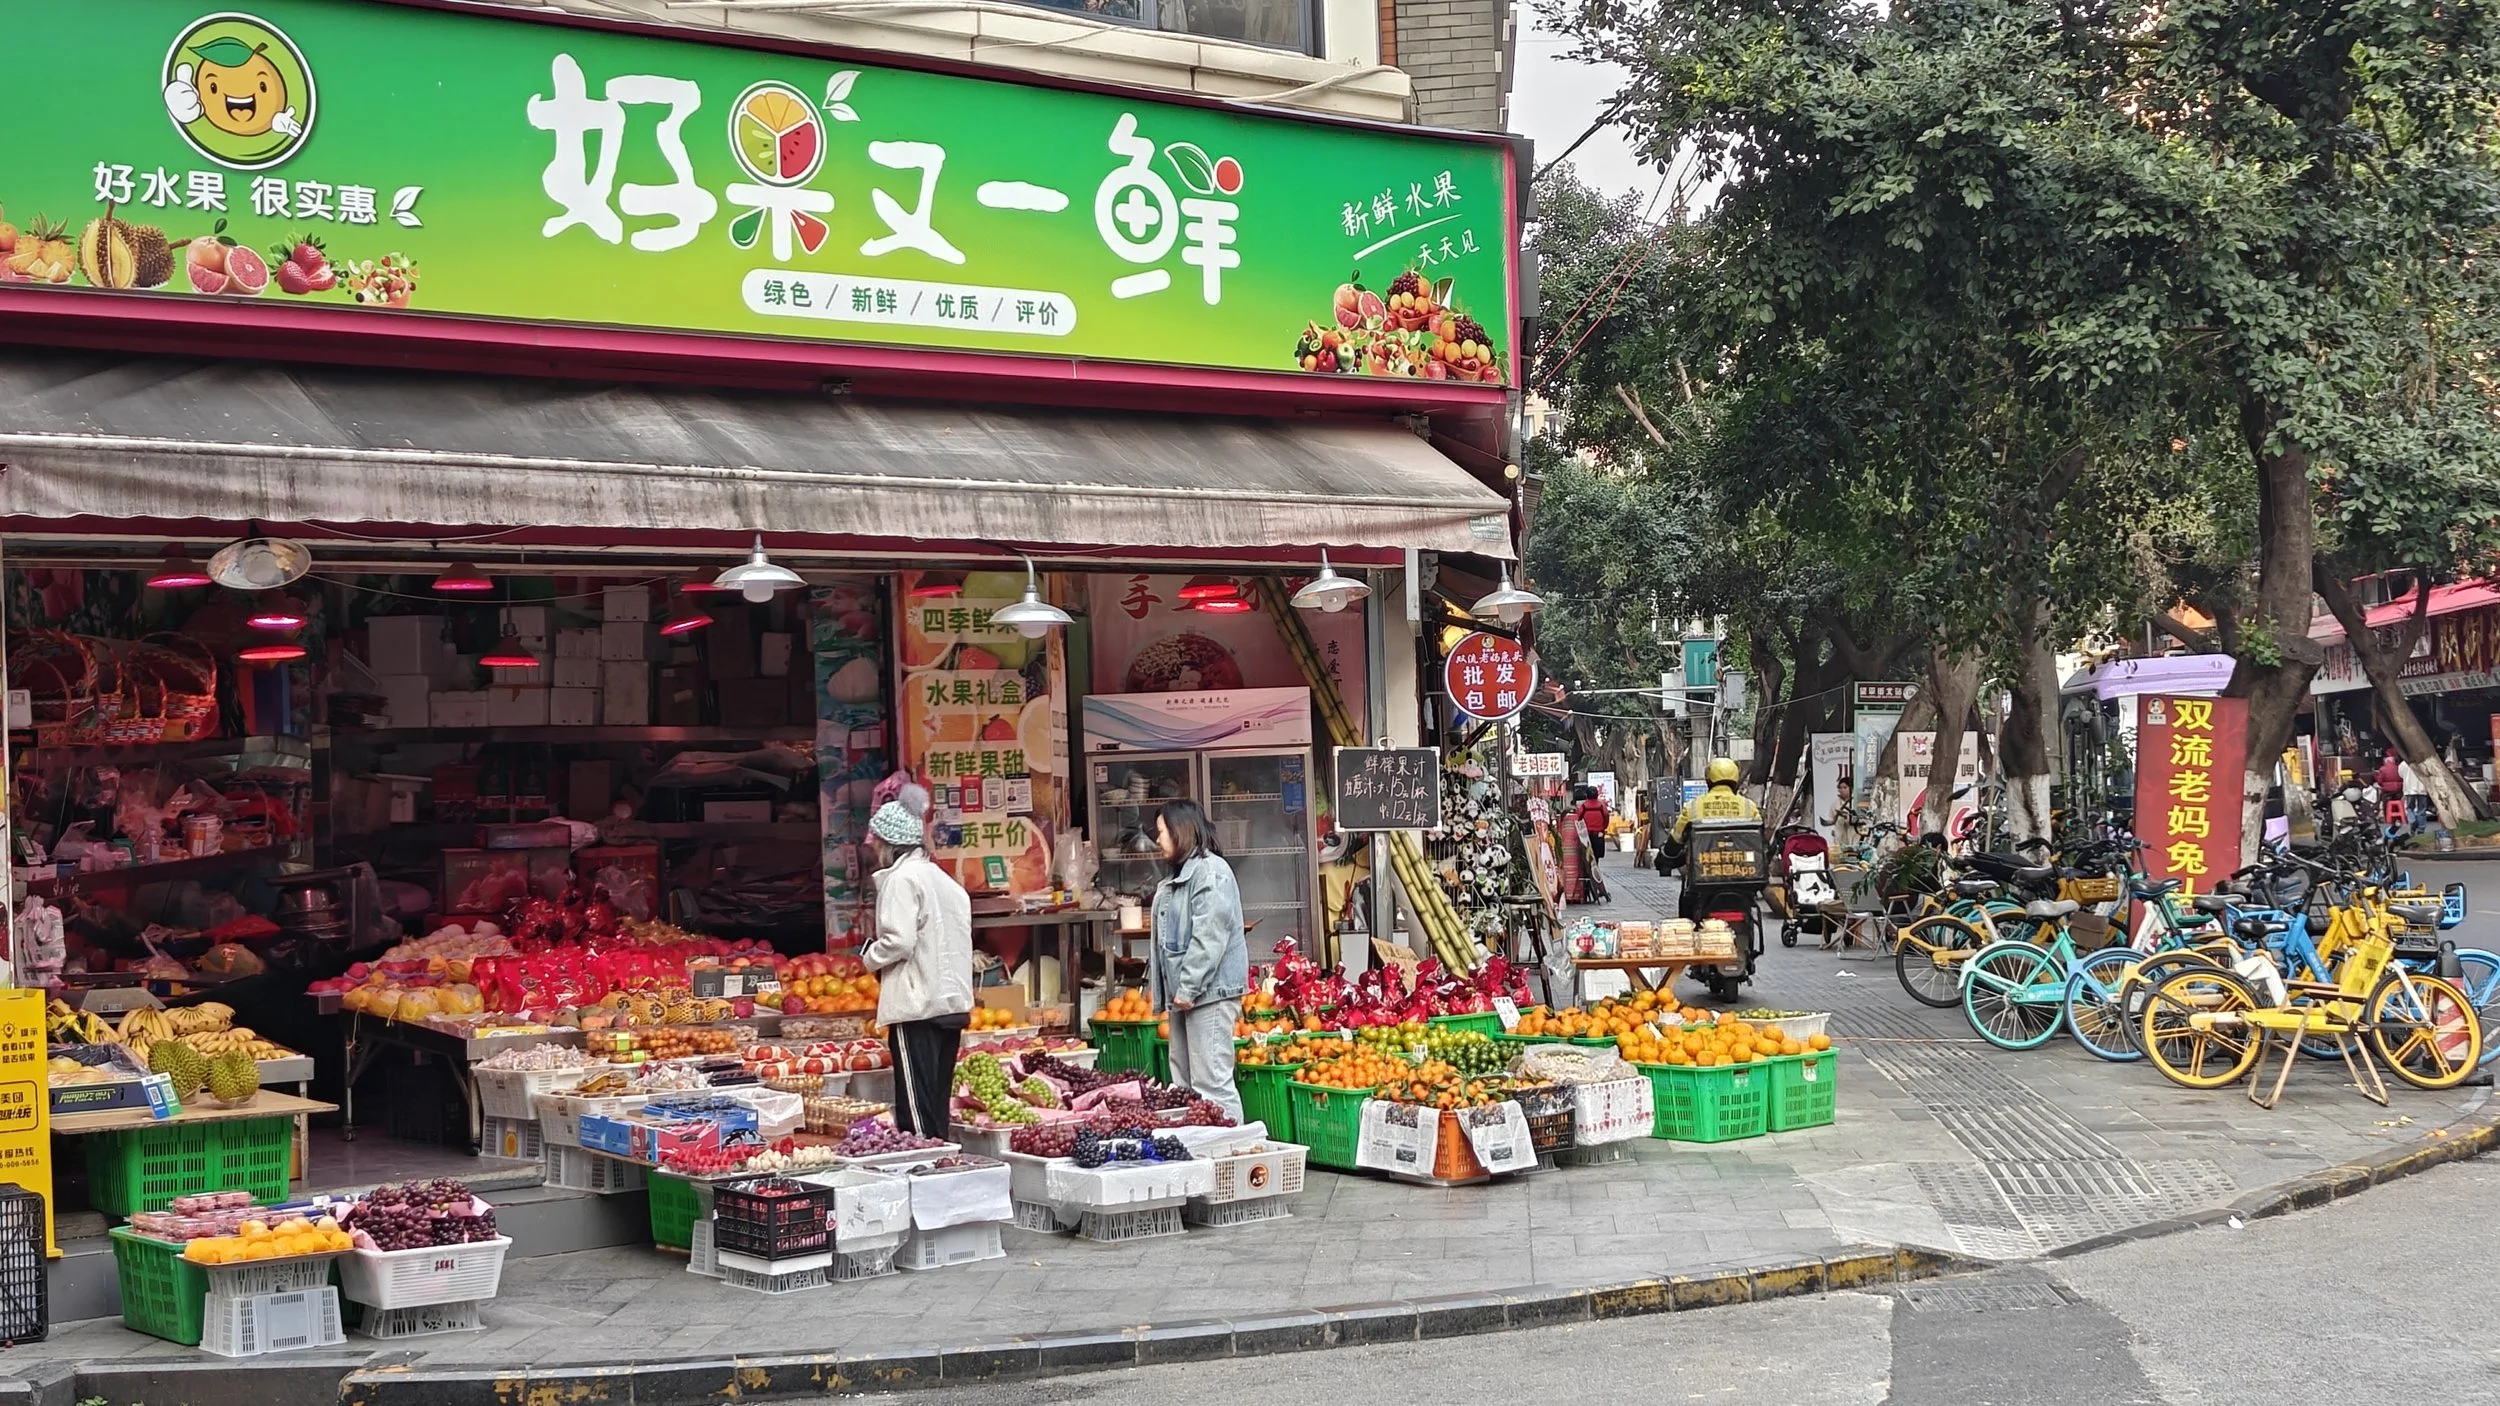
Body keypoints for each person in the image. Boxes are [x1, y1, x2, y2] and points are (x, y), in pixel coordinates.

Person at [860, 798, 973, 1137]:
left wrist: (869, 957)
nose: (875, 849)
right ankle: (942, 1168)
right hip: (950, 1004)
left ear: (890, 844)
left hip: (917, 1006)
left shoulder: (902, 879)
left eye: (878, 841)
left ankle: (924, 1168)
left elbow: (899, 940)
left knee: (916, 1107)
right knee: (936, 1102)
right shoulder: (944, 881)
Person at [1149, 798, 1249, 1120]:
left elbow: (1209, 937)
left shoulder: (1210, 872)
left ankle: (1230, 1154)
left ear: (1180, 832)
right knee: (1186, 1086)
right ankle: (1202, 1154)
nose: (1158, 840)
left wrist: (1188, 988)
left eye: (1162, 832)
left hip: (1208, 995)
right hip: (1187, 997)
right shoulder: (1180, 878)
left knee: (1212, 1084)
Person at [1669, 758, 1765, 919]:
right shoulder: (1749, 807)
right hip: (1744, 878)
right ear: (1735, 779)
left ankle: (1691, 938)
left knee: (1687, 904)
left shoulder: (1693, 807)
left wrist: (1665, 857)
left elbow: (1676, 840)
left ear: (1708, 781)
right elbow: (1761, 842)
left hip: (1703, 879)